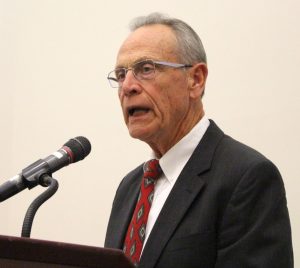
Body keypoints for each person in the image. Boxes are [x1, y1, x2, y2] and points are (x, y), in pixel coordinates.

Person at [104, 12, 293, 268]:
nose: (127, 86)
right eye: (121, 74)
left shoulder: (246, 177)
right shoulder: (129, 187)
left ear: (195, 79)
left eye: (145, 69)